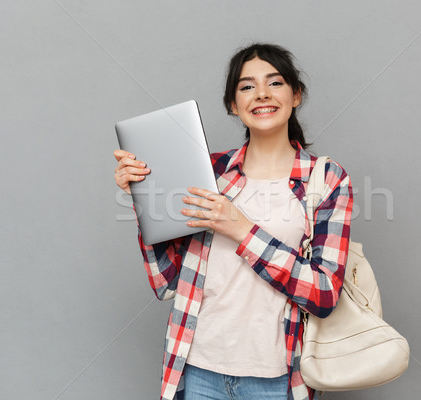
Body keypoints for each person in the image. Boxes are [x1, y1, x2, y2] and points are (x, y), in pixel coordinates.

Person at [114, 43, 353, 400]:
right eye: (246, 86)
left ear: (296, 94)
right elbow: (167, 283)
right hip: (196, 368)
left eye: (274, 83)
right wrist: (143, 199)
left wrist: (241, 228)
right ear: (232, 104)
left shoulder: (327, 179)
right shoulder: (207, 172)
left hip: (276, 377)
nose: (261, 94)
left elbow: (323, 294)